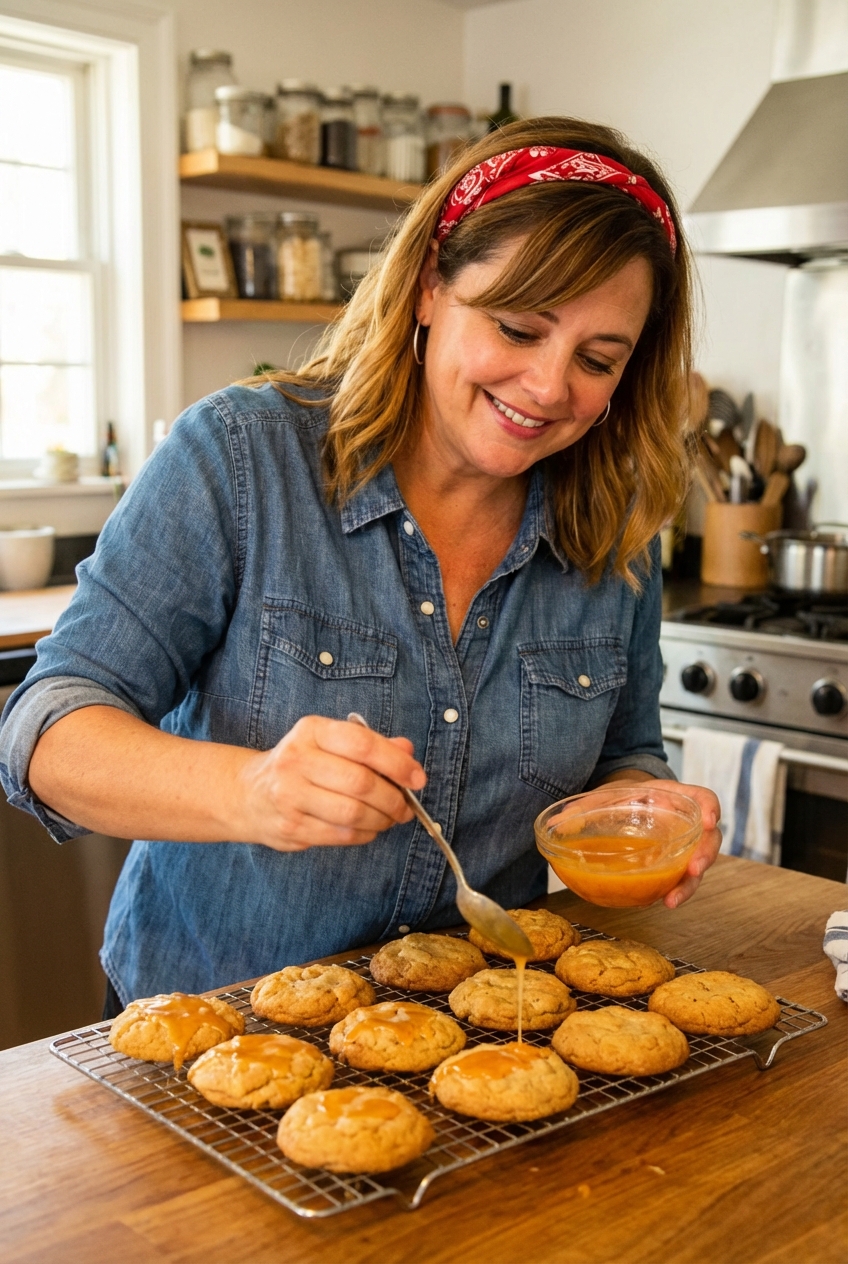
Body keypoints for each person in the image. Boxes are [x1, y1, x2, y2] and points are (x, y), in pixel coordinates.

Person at [0, 117, 721, 1013]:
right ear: (428, 288)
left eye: (597, 358)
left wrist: (650, 809)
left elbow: (626, 759)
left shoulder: (617, 538)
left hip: (480, 1043)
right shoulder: (242, 456)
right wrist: (252, 789)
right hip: (206, 1034)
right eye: (518, 328)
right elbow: (47, 728)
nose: (548, 386)